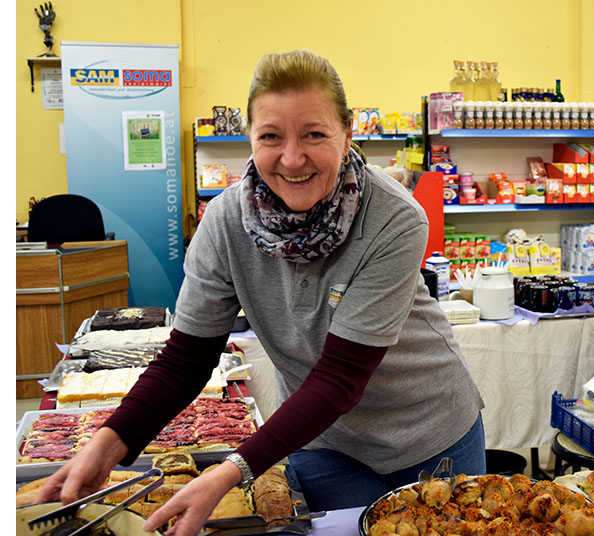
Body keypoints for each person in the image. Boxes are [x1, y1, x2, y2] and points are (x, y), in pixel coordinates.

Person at [35, 49, 486, 535]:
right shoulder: (226, 223)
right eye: (271, 137)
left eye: (314, 134)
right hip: (325, 440)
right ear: (250, 137)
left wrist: (230, 473)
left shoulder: (393, 219)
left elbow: (340, 377)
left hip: (431, 434)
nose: (292, 159)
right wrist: (106, 445)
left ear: (347, 133)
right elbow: (186, 360)